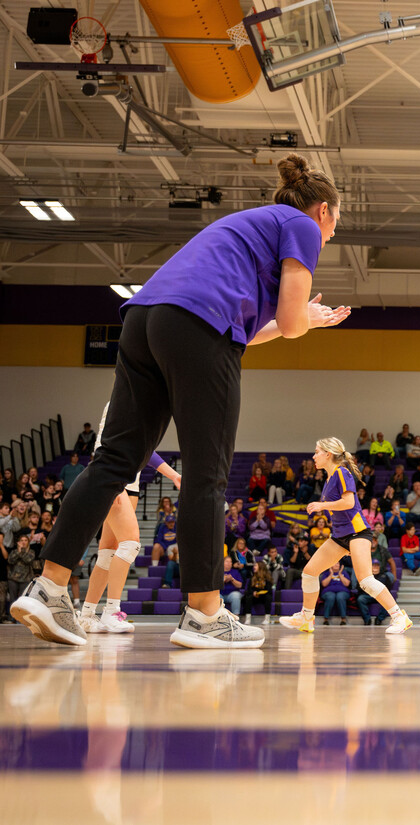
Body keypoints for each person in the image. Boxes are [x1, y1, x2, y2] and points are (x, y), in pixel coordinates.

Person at [11, 152, 350, 648]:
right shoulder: (301, 224)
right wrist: (308, 322)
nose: (332, 233)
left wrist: (293, 322)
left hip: (146, 320)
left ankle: (48, 588)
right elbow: (292, 323)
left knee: (113, 459)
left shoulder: (249, 227)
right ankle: (205, 615)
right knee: (207, 475)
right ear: (324, 209)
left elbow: (245, 332)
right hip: (196, 328)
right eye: (335, 222)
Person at [279, 437, 411, 634]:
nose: (314, 456)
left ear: (328, 454)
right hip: (340, 536)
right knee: (309, 573)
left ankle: (400, 617)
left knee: (365, 581)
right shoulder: (329, 478)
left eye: (317, 452)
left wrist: (322, 505)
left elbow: (348, 503)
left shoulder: (342, 472)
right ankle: (306, 618)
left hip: (357, 532)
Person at [79, 401, 183, 634]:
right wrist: (112, 482)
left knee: (107, 552)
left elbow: (143, 449)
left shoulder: (144, 401)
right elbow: (104, 443)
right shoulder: (123, 399)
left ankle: (86, 614)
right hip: (114, 479)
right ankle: (111, 612)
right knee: (130, 544)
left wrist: (174, 475)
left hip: (130, 483)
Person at [356, 559, 392, 625]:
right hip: (367, 595)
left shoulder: (384, 576)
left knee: (388, 600)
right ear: (370, 567)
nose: (375, 567)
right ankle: (367, 619)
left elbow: (389, 588)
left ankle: (379, 619)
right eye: (373, 565)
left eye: (377, 565)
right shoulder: (365, 576)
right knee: (360, 599)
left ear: (379, 567)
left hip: (380, 596)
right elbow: (359, 587)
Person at [242, 561, 273, 625]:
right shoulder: (252, 577)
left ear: (260, 567)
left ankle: (267, 618)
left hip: (263, 596)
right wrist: (253, 592)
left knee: (268, 597)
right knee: (248, 597)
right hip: (254, 597)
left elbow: (269, 590)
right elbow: (249, 589)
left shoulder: (267, 578)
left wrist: (260, 593)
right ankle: (248, 618)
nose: (254, 567)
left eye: (255, 566)